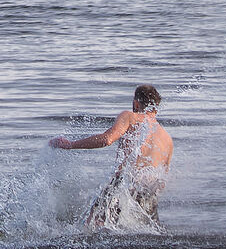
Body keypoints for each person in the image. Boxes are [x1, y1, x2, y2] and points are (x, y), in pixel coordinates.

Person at [50, 83, 174, 229]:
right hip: (149, 191)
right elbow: (162, 181)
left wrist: (70, 144)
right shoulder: (167, 139)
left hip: (124, 183)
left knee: (93, 225)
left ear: (136, 103)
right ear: (156, 107)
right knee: (147, 230)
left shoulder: (130, 117)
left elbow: (107, 139)